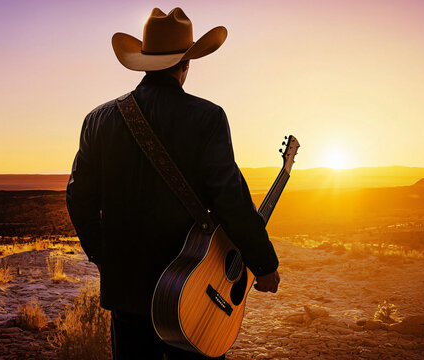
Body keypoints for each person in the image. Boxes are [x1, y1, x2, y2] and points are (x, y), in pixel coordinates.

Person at [66, 7, 280, 360]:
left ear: (145, 62)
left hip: (127, 293)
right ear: (187, 64)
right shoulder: (207, 118)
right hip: (194, 292)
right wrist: (264, 263)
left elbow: (78, 199)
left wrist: (104, 255)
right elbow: (231, 201)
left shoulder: (98, 121)